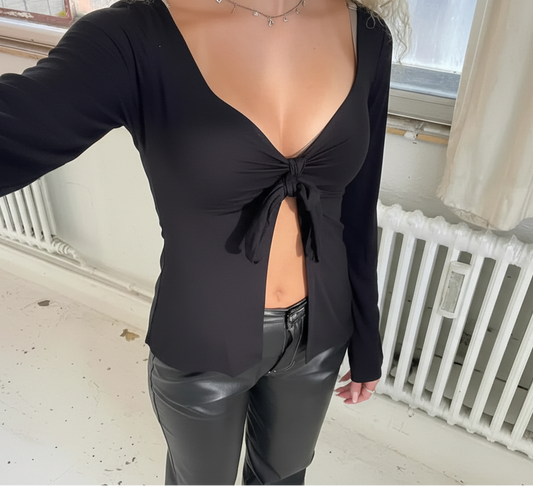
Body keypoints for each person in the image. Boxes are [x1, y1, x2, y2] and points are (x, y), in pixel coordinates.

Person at [0, 0, 409, 484]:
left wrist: (367, 338)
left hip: (320, 335)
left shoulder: (366, 33)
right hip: (202, 344)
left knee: (285, 476)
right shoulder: (133, 37)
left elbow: (357, 207)